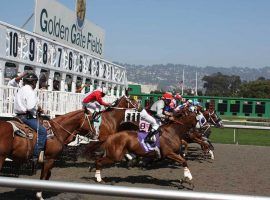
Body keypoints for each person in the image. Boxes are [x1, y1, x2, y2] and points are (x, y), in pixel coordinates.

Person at [14, 73, 47, 163]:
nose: (36, 84)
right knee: (43, 131)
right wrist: (38, 109)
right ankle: (36, 155)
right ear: (33, 82)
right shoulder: (31, 91)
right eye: (35, 82)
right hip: (26, 117)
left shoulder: (21, 90)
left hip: (17, 116)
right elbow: (30, 107)